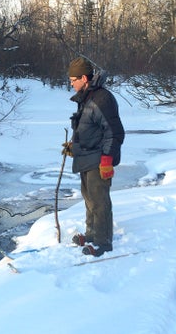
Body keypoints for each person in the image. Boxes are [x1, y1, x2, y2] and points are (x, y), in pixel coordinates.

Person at [63, 57, 125, 257]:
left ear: (83, 77)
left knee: (100, 202)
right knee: (89, 199)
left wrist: (107, 160)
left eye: (73, 79)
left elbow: (114, 133)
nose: (71, 83)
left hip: (99, 160)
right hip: (86, 157)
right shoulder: (87, 97)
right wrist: (74, 146)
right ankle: (91, 235)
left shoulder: (101, 99)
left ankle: (102, 242)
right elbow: (88, 127)